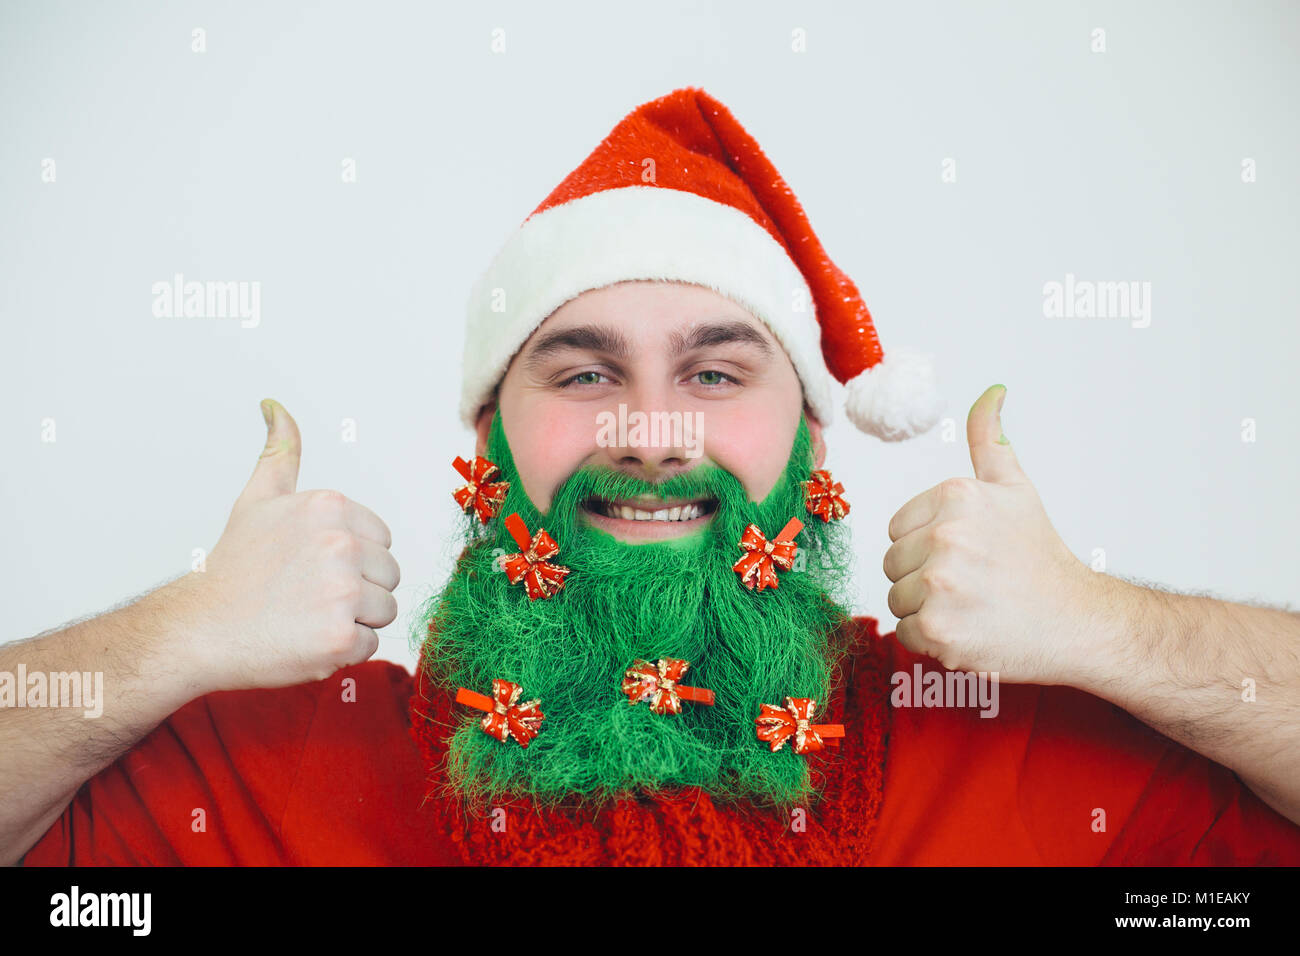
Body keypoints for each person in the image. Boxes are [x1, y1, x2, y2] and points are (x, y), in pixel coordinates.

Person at [8, 87, 1300, 866]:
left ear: (811, 434)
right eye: (580, 375)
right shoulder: (259, 761)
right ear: (488, 438)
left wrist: (1109, 628)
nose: (651, 433)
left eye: (719, 374)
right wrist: (172, 636)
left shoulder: (1024, 742)